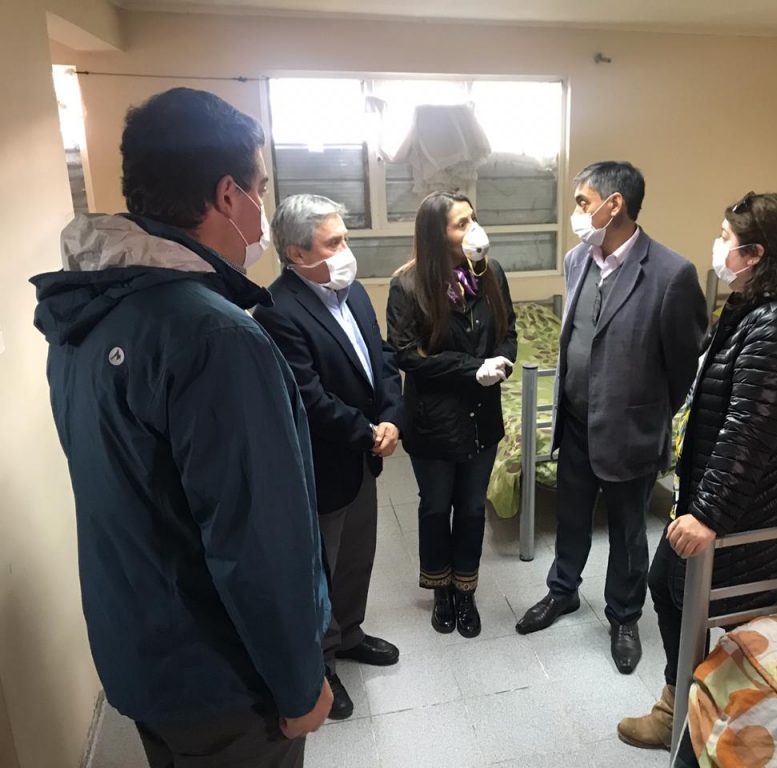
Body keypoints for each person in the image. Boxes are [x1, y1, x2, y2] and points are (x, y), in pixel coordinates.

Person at [30, 88, 333, 767]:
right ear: (228, 195)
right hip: (221, 682)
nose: (261, 206)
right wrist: (298, 681)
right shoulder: (214, 336)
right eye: (259, 188)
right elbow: (256, 538)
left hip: (138, 650)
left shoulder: (85, 309)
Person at [617, 192, 777, 752]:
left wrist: (708, 514)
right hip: (736, 499)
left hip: (759, 513)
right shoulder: (759, 306)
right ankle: (683, 708)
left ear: (756, 253)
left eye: (726, 238)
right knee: (670, 588)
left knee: (733, 621)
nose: (717, 247)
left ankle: (711, 726)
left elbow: (751, 430)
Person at [515, 161, 707, 676]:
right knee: (572, 517)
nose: (577, 211)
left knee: (627, 532)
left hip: (630, 430)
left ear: (614, 204)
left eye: (583, 201)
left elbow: (684, 363)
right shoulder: (577, 259)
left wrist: (647, 411)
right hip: (576, 422)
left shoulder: (670, 273)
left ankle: (624, 618)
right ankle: (562, 592)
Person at [253, 194, 405, 720]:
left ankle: (351, 633)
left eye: (345, 238)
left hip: (363, 455)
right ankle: (321, 664)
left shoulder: (352, 291)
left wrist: (393, 417)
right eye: (333, 242)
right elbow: (309, 397)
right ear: (297, 253)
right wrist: (368, 432)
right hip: (322, 466)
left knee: (358, 554)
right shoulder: (276, 311)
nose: (346, 251)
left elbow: (381, 358)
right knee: (320, 568)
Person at [386, 191, 517, 638]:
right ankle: (440, 588)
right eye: (461, 223)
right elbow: (406, 354)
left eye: (473, 219)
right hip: (433, 421)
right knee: (436, 507)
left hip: (482, 417)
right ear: (436, 233)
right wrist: (470, 368)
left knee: (473, 508)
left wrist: (502, 362)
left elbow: (509, 330)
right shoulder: (408, 285)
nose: (473, 230)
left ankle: (465, 589)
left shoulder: (490, 273)